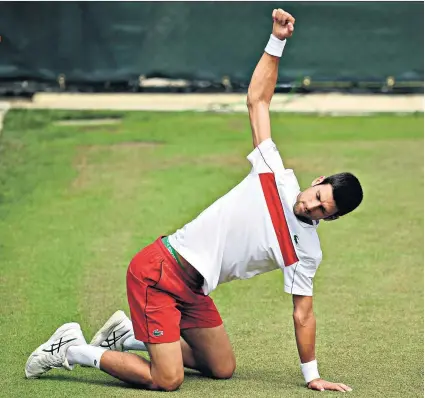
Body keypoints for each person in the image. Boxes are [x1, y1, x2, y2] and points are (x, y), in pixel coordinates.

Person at [25, 8, 362, 393]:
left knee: (221, 367)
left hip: (195, 290)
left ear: (329, 219)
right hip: (160, 271)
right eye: (317, 196)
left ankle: (128, 336)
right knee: (168, 379)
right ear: (316, 182)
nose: (312, 206)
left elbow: (303, 313)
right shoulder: (274, 176)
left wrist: (312, 375)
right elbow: (258, 101)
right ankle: (72, 347)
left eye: (323, 210)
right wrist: (277, 41)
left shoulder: (306, 252)